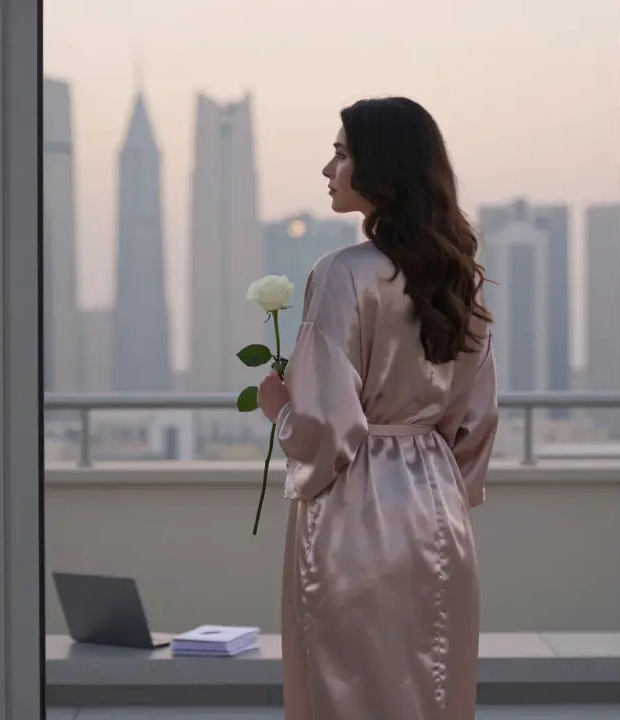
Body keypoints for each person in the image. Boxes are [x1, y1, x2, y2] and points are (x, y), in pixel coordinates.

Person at [256, 96, 499, 720]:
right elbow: (474, 420)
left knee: (347, 689)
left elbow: (328, 428)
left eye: (340, 154)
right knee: (434, 689)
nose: (327, 169)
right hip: (438, 511)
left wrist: (280, 408)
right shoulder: (457, 277)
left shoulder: (342, 274)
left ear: (379, 169)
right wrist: (445, 487)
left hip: (354, 514)